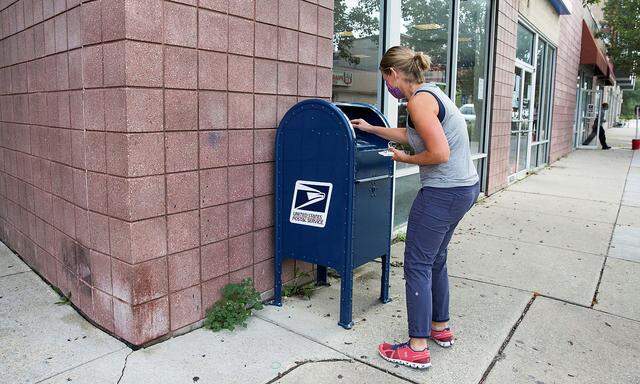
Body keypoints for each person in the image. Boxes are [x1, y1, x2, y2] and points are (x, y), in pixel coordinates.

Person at [350, 46, 480, 369]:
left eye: (386, 80)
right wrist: (370, 129)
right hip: (464, 187)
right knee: (436, 258)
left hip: (443, 192)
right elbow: (410, 134)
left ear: (393, 74)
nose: (388, 87)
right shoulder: (432, 94)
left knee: (417, 263)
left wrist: (402, 158)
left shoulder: (418, 101)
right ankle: (440, 328)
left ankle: (417, 346)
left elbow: (438, 154)